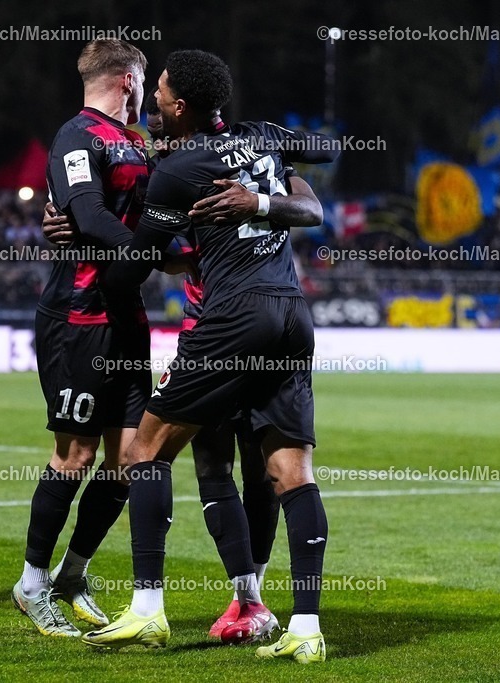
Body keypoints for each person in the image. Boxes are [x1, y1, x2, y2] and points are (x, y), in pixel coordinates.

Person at [81, 50, 337, 663]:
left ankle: (147, 610)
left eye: (162, 92)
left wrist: (87, 252)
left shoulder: (181, 171)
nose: (156, 100)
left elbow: (136, 264)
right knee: (290, 472)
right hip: (293, 314)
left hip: (233, 316)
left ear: (179, 105)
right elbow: (325, 150)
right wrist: (272, 183)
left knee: (145, 451)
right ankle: (305, 626)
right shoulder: (264, 137)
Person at [13, 38, 154, 638]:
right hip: (79, 318)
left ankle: (73, 572)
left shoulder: (138, 143)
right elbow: (90, 216)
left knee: (130, 460)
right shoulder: (78, 135)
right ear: (128, 80)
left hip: (127, 321)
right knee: (75, 456)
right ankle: (30, 581)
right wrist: (146, 248)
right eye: (144, 83)